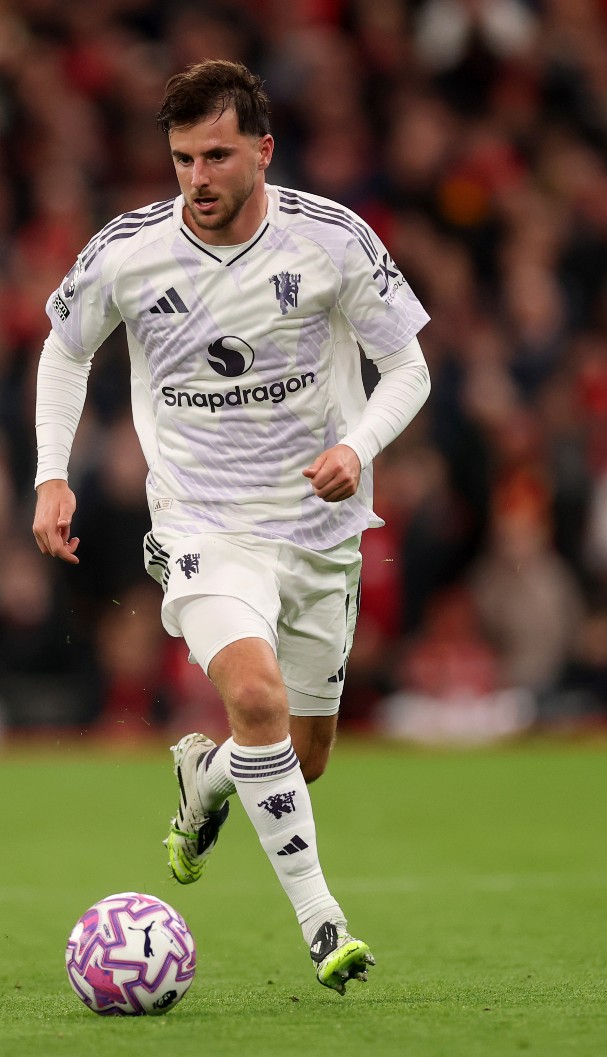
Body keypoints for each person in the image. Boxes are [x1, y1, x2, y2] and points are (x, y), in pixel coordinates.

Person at [32, 59, 431, 993]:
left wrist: (360, 446)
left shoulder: (331, 239)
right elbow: (63, 348)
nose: (197, 179)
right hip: (205, 523)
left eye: (216, 155)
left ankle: (204, 781)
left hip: (321, 529)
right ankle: (323, 922)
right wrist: (52, 474)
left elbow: (408, 366)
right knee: (256, 703)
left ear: (263, 149)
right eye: (180, 159)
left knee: (304, 752)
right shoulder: (130, 251)